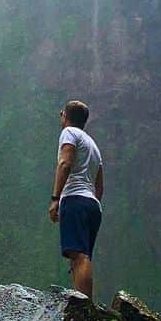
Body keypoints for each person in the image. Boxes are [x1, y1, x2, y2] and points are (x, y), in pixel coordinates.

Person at [48, 99, 103, 299]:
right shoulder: (93, 146)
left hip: (75, 199)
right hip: (92, 205)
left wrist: (56, 198)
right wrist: (91, 205)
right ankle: (83, 302)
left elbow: (65, 163)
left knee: (78, 256)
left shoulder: (69, 134)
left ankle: (84, 308)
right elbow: (99, 185)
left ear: (65, 116)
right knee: (80, 256)